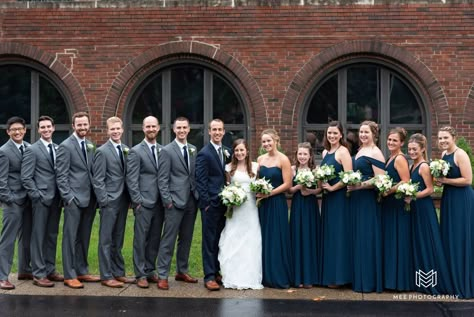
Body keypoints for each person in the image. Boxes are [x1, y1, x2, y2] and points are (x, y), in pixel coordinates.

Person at [56, 112, 100, 289]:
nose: (82, 127)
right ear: (73, 126)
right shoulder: (66, 146)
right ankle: (69, 274)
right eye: (79, 125)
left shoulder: (90, 145)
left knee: (84, 236)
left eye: (85, 124)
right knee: (70, 237)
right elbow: (61, 175)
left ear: (88, 125)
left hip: (89, 199)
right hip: (74, 199)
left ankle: (82, 270)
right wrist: (69, 197)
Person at [407, 133, 454, 295]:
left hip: (424, 209)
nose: (411, 152)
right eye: (410, 149)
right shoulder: (412, 165)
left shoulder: (423, 166)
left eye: (414, 149)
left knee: (427, 242)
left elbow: (430, 189)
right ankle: (420, 281)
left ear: (422, 149)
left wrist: (413, 196)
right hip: (415, 208)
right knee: (418, 242)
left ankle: (433, 282)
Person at [157, 117, 199, 290]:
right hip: (174, 202)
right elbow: (162, 178)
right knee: (169, 239)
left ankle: (182, 270)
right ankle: (162, 275)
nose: (182, 130)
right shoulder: (167, 151)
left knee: (186, 238)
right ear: (174, 130)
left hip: (191, 200)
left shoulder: (193, 149)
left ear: (189, 129)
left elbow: (193, 175)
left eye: (185, 127)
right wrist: (168, 201)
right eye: (179, 128)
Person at [21, 116, 63, 288]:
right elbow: (26, 177)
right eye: (42, 127)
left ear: (53, 128)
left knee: (52, 235)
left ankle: (50, 269)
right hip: (40, 200)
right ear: (38, 130)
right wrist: (37, 195)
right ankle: (38, 273)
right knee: (38, 236)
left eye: (48, 127)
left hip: (56, 199)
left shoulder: (57, 148)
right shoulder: (32, 150)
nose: (46, 130)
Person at [92, 117, 134, 288]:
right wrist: (104, 200)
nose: (115, 131)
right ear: (107, 131)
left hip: (123, 200)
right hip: (109, 201)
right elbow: (98, 179)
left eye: (118, 128)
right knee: (106, 239)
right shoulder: (102, 151)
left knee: (118, 238)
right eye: (112, 129)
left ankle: (118, 272)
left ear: (122, 129)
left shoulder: (126, 149)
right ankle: (106, 275)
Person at [218, 139, 263, 290]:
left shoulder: (256, 167)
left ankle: (249, 277)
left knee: (251, 240)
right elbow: (227, 187)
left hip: (250, 209)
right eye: (236, 150)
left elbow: (258, 186)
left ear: (247, 151)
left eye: (242, 150)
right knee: (234, 239)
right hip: (236, 210)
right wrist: (230, 196)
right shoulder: (229, 168)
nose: (239, 153)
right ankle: (232, 276)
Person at [126, 116, 165, 289]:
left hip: (160, 203)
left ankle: (150, 270)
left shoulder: (163, 150)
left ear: (158, 128)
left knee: (155, 238)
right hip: (144, 202)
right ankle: (140, 274)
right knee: (140, 239)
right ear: (143, 128)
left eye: (153, 126)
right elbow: (131, 179)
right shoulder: (135, 151)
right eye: (147, 126)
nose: (151, 129)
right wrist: (137, 202)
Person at [347, 120, 385, 293]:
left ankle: (368, 281)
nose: (362, 135)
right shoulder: (361, 150)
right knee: (357, 236)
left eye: (366, 132)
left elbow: (380, 178)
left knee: (366, 237)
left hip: (367, 200)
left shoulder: (376, 152)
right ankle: (358, 278)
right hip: (356, 198)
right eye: (361, 132)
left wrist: (360, 185)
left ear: (374, 134)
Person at [436, 126, 474, 299]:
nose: (443, 141)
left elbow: (467, 180)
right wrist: (441, 182)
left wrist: (445, 180)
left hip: (462, 199)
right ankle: (451, 281)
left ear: (454, 137)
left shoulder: (460, 154)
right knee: (449, 236)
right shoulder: (444, 155)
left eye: (446, 138)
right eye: (440, 138)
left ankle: (464, 283)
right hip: (449, 197)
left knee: (460, 237)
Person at [195, 119, 232, 291]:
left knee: (220, 239)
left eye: (220, 130)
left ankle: (217, 271)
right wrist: (206, 204)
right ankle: (209, 276)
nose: (217, 133)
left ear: (224, 132)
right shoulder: (204, 153)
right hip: (211, 205)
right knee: (209, 241)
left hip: (225, 204)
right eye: (214, 130)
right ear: (209, 132)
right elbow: (200, 181)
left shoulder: (226, 151)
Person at [257, 129, 293, 288]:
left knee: (276, 237)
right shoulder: (259, 159)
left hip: (277, 203)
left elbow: (287, 184)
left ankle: (278, 275)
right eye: (264, 142)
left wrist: (269, 193)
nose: (266, 144)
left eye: (269, 141)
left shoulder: (283, 159)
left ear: (276, 140)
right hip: (263, 205)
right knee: (263, 237)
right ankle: (264, 275)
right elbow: (256, 180)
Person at [0, 117, 32, 290]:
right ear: (8, 132)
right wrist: (9, 199)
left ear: (25, 130)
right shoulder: (4, 151)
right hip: (13, 202)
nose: (17, 132)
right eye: (14, 130)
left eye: (20, 129)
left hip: (28, 200)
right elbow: (1, 181)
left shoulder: (29, 147)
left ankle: (25, 270)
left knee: (26, 237)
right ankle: (2, 276)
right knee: (8, 240)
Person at [320, 121, 352, 288]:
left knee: (339, 235)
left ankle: (340, 277)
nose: (331, 136)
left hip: (339, 199)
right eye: (329, 133)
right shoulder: (326, 152)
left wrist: (333, 187)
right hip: (328, 199)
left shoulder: (343, 152)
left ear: (341, 135)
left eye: (335, 133)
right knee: (330, 234)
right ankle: (330, 275)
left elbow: (348, 176)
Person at [381, 127, 414, 291]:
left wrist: (390, 190)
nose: (391, 142)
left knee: (397, 240)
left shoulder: (400, 158)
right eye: (389, 139)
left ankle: (398, 281)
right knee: (390, 240)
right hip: (388, 203)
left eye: (395, 140)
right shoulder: (390, 157)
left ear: (402, 142)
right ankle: (391, 279)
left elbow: (405, 181)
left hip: (396, 203)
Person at [289, 142, 321, 289]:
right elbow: (289, 189)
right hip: (297, 205)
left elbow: (320, 190)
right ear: (296, 155)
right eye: (300, 154)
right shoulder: (292, 169)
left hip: (310, 206)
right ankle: (297, 278)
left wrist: (309, 191)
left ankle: (310, 277)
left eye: (305, 154)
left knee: (309, 237)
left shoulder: (316, 170)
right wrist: (299, 186)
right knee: (297, 238)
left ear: (310, 156)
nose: (302, 157)